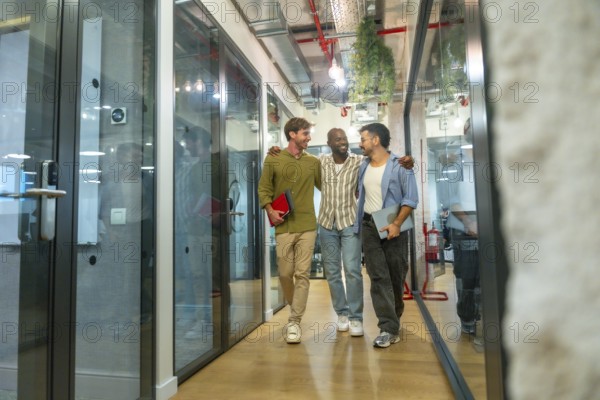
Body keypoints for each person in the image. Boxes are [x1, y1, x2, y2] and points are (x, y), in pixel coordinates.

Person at [268, 128, 414, 338]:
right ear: (329, 142)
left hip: (350, 223)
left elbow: (383, 160)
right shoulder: (320, 162)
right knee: (333, 273)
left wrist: (406, 160)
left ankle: (356, 317)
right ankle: (342, 314)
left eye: (345, 139)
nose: (343, 142)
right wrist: (276, 151)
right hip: (326, 224)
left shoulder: (358, 162)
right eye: (338, 139)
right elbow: (296, 158)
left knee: (353, 271)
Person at [353, 123, 419, 348]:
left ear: (376, 140)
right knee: (378, 277)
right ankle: (388, 328)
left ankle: (394, 319)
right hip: (370, 226)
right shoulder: (363, 165)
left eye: (363, 139)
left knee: (395, 275)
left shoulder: (401, 165)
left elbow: (411, 199)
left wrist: (397, 224)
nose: (360, 143)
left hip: (393, 226)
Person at [258, 117, 321, 344]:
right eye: (305, 133)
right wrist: (269, 209)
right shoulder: (273, 158)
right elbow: (264, 188)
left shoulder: (313, 162)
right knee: (284, 273)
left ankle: (294, 321)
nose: (309, 137)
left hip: (307, 225)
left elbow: (327, 186)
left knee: (302, 273)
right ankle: (296, 311)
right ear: (292, 134)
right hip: (283, 224)